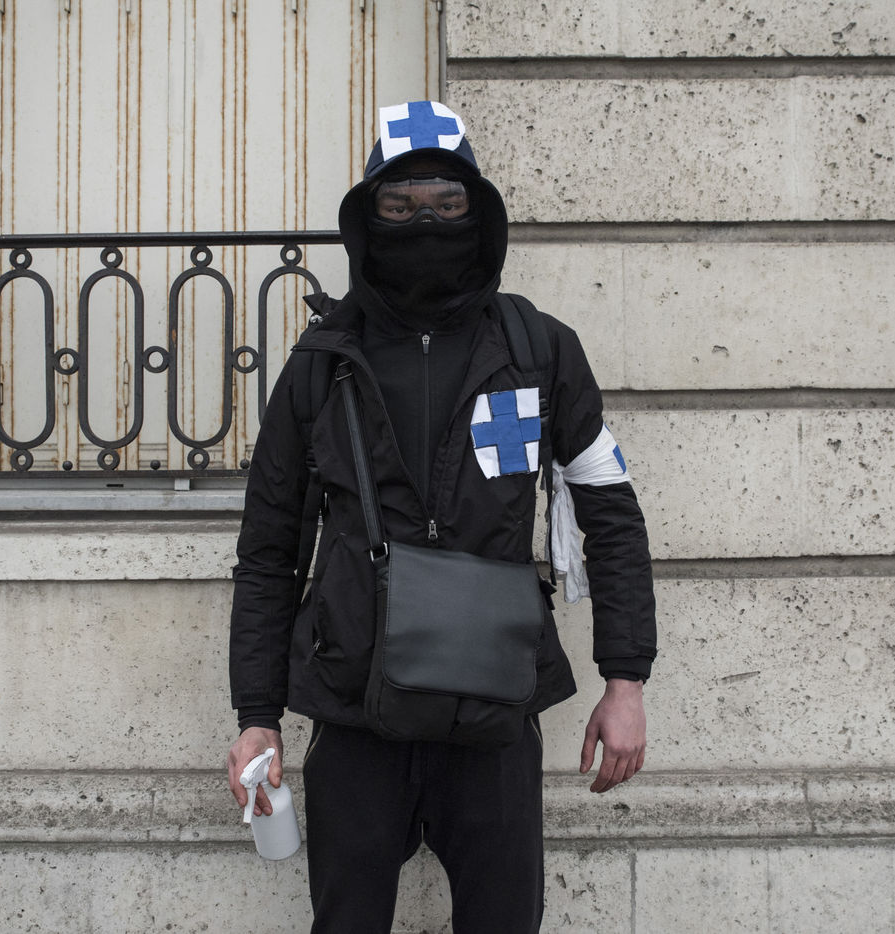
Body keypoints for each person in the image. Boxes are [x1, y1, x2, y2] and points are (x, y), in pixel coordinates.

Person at [227, 100, 657, 933]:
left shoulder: (537, 350)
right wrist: (256, 717)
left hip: (493, 708)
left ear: (478, 212)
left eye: (446, 203)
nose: (424, 221)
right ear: (367, 219)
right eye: (399, 205)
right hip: (355, 710)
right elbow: (269, 550)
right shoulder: (321, 365)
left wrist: (626, 680)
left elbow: (610, 516)